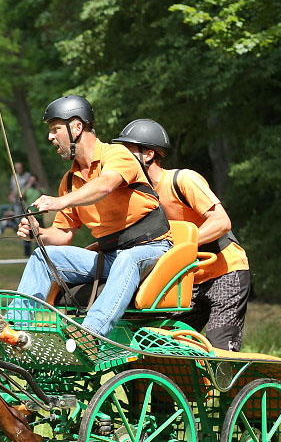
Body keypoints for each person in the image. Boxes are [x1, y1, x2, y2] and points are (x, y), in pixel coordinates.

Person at [14, 95, 172, 339]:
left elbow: (106, 185)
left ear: (77, 127)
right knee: (42, 257)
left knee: (127, 259)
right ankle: (14, 334)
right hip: (109, 256)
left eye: (55, 129)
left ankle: (89, 336)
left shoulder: (117, 154)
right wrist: (39, 232)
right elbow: (64, 234)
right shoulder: (69, 180)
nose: (50, 137)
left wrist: (60, 202)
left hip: (152, 248)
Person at [113, 119, 250, 351]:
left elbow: (221, 222)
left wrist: (179, 247)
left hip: (225, 272)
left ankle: (231, 385)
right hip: (186, 281)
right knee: (164, 349)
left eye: (127, 153)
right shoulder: (139, 198)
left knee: (220, 353)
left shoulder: (182, 180)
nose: (120, 161)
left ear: (147, 155)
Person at [6, 162, 32, 232]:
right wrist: (11, 195)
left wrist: (25, 191)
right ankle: (21, 230)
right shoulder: (13, 177)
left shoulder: (27, 176)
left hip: (26, 201)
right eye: (17, 168)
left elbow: (30, 186)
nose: (19, 169)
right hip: (16, 201)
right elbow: (12, 189)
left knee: (27, 217)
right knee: (18, 218)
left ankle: (30, 231)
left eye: (20, 167)